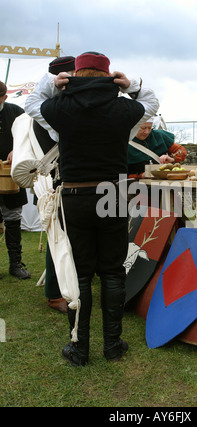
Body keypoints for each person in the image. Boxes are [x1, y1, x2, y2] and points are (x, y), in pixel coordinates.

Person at [25, 51, 159, 366]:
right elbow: (151, 104)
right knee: (112, 272)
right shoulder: (122, 108)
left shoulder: (60, 108)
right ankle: (112, 345)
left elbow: (32, 104)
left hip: (75, 196)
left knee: (81, 273)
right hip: (112, 194)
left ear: (75, 74)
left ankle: (79, 348)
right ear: (108, 76)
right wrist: (132, 85)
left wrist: (52, 83)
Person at [33, 56, 75, 314]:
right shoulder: (47, 107)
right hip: (54, 180)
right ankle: (53, 293)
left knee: (70, 233)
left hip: (69, 176)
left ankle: (70, 282)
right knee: (57, 234)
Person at [0, 81, 31, 279]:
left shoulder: (18, 113)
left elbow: (29, 136)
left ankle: (15, 264)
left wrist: (17, 150)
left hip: (11, 176)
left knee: (13, 220)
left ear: (4, 97)